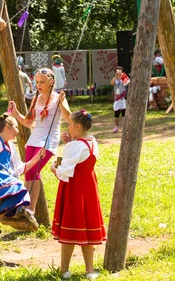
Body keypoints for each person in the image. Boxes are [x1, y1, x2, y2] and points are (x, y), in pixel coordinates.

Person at [51, 109, 106, 280]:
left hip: (74, 189)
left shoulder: (75, 146)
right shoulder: (92, 142)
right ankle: (90, 271)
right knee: (88, 229)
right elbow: (79, 158)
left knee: (70, 228)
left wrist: (54, 166)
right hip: (88, 188)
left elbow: (63, 168)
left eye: (69, 124)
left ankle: (64, 270)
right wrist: (70, 142)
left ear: (77, 126)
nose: (67, 127)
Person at [8, 68, 71, 213]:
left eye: (42, 82)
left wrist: (61, 102)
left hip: (49, 139)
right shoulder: (36, 99)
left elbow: (69, 118)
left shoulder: (58, 98)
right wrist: (16, 112)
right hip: (34, 138)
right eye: (37, 82)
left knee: (35, 171)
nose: (39, 85)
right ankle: (23, 206)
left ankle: (31, 209)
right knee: (28, 172)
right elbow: (28, 122)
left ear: (51, 82)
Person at [0, 113, 45, 234]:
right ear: (7, 127)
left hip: (5, 178)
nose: (17, 131)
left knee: (21, 193)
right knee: (14, 184)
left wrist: (37, 158)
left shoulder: (11, 146)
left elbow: (20, 169)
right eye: (15, 127)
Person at [110, 66, 130, 133]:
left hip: (123, 98)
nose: (118, 72)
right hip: (117, 99)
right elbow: (112, 83)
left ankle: (124, 127)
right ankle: (116, 127)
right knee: (116, 114)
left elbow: (128, 83)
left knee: (124, 113)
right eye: (117, 70)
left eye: (119, 70)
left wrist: (123, 77)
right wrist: (116, 76)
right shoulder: (115, 79)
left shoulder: (124, 77)